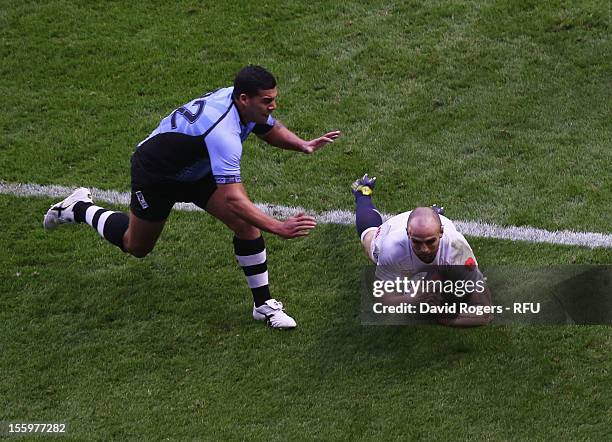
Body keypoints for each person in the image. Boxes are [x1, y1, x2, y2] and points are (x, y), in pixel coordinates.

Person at [43, 65, 341, 329]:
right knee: (136, 245)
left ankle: (263, 305)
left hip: (197, 169)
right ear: (244, 99)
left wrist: (302, 145)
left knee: (245, 226)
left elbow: (266, 127)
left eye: (274, 98)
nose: (274, 106)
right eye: (268, 101)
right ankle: (80, 207)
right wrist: (277, 227)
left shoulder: (242, 102)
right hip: (157, 174)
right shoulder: (222, 134)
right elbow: (234, 198)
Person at [351, 174, 493, 327]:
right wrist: (412, 300)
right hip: (394, 228)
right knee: (369, 240)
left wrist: (448, 319)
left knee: (456, 278)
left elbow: (486, 312)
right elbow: (384, 302)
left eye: (430, 241)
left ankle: (431, 219)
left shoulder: (457, 248)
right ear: (408, 234)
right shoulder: (392, 248)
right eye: (417, 242)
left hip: (431, 229)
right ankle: (362, 193)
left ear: (441, 233)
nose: (424, 249)